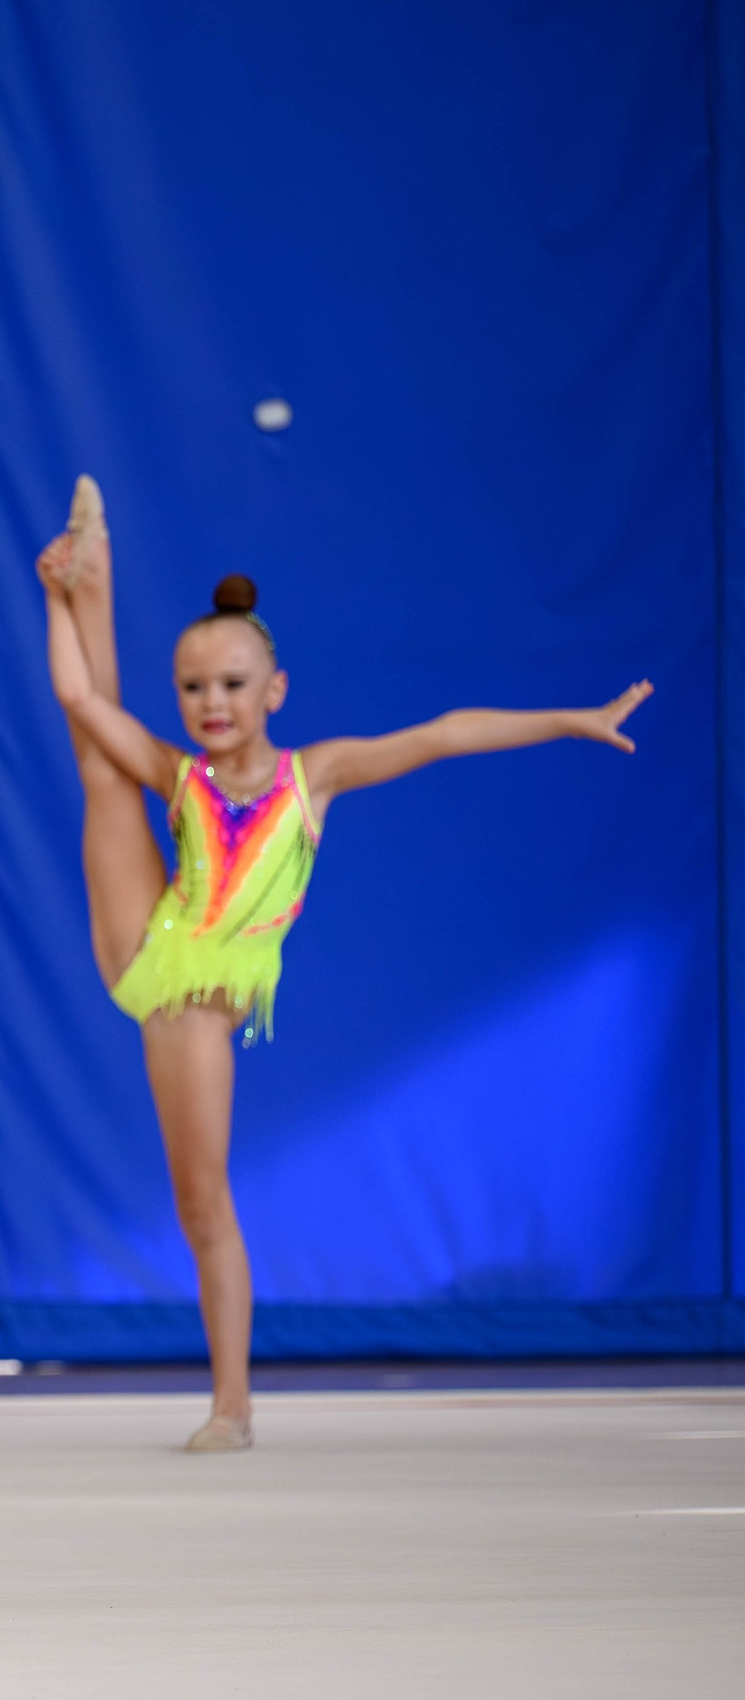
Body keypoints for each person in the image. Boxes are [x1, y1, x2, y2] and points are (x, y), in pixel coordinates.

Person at [36, 476, 651, 1452]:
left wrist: (568, 718)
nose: (210, 703)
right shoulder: (180, 773)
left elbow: (441, 734)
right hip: (149, 947)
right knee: (97, 764)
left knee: (202, 1202)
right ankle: (88, 570)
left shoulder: (311, 777)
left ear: (274, 690)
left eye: (231, 685)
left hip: (193, 1003)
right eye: (192, 688)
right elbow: (76, 697)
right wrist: (49, 595)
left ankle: (232, 1407)